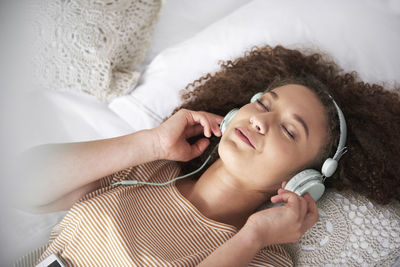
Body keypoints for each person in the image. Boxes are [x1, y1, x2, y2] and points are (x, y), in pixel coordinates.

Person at [13, 45, 400, 266]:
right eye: (264, 104)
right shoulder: (150, 169)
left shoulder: (261, 257)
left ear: (305, 182)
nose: (262, 121)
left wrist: (252, 238)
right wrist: (149, 143)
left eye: (288, 129)